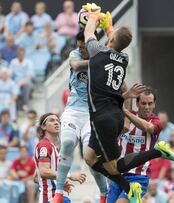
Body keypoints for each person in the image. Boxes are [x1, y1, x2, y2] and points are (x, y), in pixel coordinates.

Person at [70, 5, 174, 203]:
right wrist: (109, 26)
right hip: (112, 112)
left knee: (113, 167)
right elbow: (117, 39)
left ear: (110, 40)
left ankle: (157, 151)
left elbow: (89, 32)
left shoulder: (98, 52)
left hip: (103, 118)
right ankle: (128, 186)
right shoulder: (123, 58)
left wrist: (93, 17)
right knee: (89, 157)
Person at [53, 31, 108, 203]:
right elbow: (76, 65)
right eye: (79, 47)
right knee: (68, 142)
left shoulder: (104, 58)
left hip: (92, 115)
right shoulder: (75, 55)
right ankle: (59, 192)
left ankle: (103, 194)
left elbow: (119, 85)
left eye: (84, 48)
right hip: (73, 110)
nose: (81, 50)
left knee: (90, 157)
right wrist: (98, 62)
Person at [107, 88, 164, 203]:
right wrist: (126, 95)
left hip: (138, 176)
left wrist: (126, 112)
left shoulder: (156, 121)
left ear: (154, 104)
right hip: (117, 174)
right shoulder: (126, 119)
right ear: (137, 103)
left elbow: (148, 128)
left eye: (150, 103)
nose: (147, 107)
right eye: (143, 103)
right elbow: (111, 104)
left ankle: (135, 197)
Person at [35, 113, 86, 203]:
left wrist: (58, 183)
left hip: (56, 197)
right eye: (52, 120)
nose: (56, 123)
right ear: (43, 126)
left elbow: (36, 177)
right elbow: (43, 172)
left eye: (58, 121)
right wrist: (69, 175)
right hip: (49, 199)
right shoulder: (44, 145)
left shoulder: (52, 146)